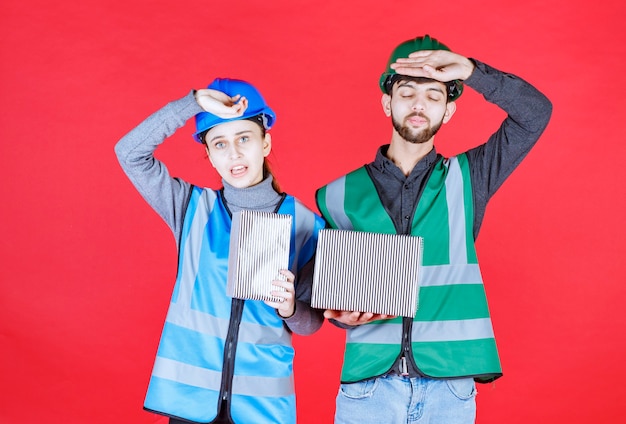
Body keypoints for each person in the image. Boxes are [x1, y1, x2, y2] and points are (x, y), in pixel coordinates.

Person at [316, 35, 552, 423]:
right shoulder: (337, 195)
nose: (419, 105)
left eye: (434, 96)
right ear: (386, 102)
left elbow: (536, 114)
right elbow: (327, 289)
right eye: (407, 92)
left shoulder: (470, 177)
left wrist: (473, 72)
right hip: (369, 388)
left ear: (448, 112)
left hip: (450, 389)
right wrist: (339, 313)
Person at [115, 78, 325, 424]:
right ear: (209, 156)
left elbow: (310, 324)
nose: (235, 154)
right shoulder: (192, 208)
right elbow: (129, 153)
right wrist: (193, 103)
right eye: (220, 144)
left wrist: (290, 308)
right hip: (190, 403)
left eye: (244, 139)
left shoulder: (305, 224)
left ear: (265, 143)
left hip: (263, 407)